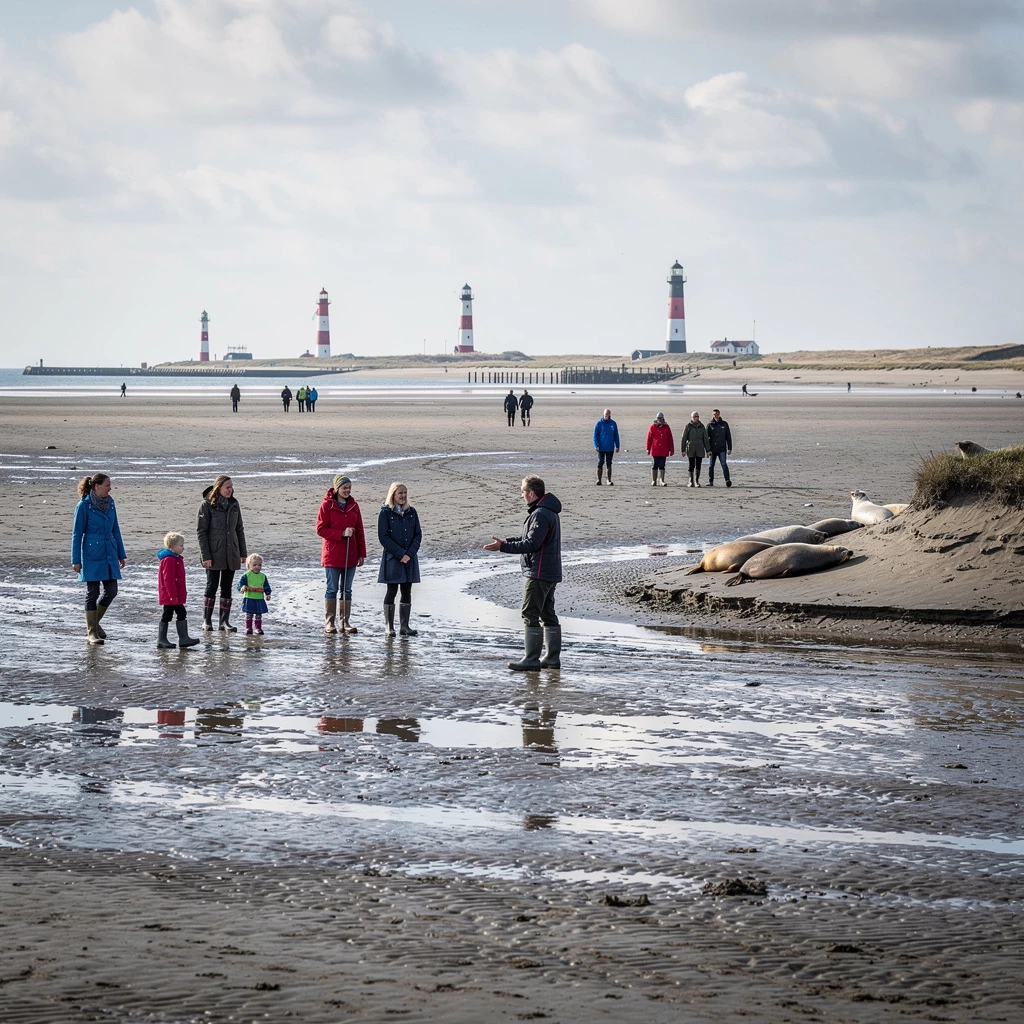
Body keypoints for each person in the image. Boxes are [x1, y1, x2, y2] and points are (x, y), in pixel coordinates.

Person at [483, 475, 562, 671]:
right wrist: (507, 541)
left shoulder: (541, 513)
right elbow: (530, 537)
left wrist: (503, 548)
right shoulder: (545, 511)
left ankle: (531, 659)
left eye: (522, 491)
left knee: (530, 613)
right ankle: (551, 659)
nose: (522, 495)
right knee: (547, 613)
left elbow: (532, 543)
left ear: (531, 493)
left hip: (540, 572)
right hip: (548, 571)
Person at [72, 473, 127, 645]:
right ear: (97, 486)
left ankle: (94, 623)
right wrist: (76, 560)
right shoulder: (84, 506)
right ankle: (91, 633)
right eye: (107, 485)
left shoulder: (110, 503)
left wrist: (121, 553)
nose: (110, 488)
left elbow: (115, 529)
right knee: (92, 592)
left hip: (110, 551)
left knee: (112, 591)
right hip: (92, 553)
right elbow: (77, 535)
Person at [196, 474, 247, 632]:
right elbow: (201, 532)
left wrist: (242, 552)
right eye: (228, 487)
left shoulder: (234, 504)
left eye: (232, 487)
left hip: (231, 551)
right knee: (211, 586)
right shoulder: (206, 505)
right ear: (219, 488)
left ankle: (224, 622)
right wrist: (206, 556)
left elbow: (239, 529)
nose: (231, 490)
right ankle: (207, 621)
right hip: (213, 552)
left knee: (227, 586)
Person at [317, 474, 366, 635]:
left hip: (350, 555)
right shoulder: (327, 505)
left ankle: (344, 622)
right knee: (332, 588)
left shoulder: (354, 505)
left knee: (347, 590)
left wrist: (361, 554)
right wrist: (341, 533)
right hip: (332, 555)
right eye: (345, 488)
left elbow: (359, 530)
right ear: (337, 488)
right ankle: (329, 622)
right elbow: (321, 529)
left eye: (349, 488)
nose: (347, 491)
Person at [377, 482, 422, 638]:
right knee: (391, 591)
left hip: (409, 558)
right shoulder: (385, 513)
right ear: (393, 495)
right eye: (400, 493)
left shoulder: (412, 512)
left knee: (407, 590)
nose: (403, 496)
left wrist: (409, 554)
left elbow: (418, 535)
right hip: (393, 559)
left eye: (405, 493)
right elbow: (383, 537)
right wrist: (400, 554)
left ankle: (405, 626)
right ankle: (389, 627)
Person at [157, 531, 201, 650]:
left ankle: (181, 639)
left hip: (174, 595)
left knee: (176, 613)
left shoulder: (175, 558)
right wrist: (173, 596)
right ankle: (165, 639)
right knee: (172, 614)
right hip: (170, 595)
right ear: (172, 547)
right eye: (181, 545)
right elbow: (168, 580)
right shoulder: (169, 560)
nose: (183, 548)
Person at [237, 553, 272, 635]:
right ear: (249, 565)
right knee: (249, 614)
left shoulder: (263, 576)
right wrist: (242, 588)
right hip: (249, 598)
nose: (257, 567)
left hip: (259, 598)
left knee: (258, 614)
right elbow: (240, 585)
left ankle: (258, 628)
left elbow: (266, 586)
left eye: (259, 565)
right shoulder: (246, 575)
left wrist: (268, 594)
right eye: (254, 565)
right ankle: (248, 628)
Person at [681, 410, 710, 488]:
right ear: (692, 418)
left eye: (697, 416)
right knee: (691, 465)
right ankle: (691, 481)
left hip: (700, 448)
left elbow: (706, 439)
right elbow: (683, 438)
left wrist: (708, 450)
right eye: (694, 417)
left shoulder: (702, 426)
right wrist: (683, 450)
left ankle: (697, 481)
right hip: (690, 448)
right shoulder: (688, 426)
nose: (696, 418)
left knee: (698, 465)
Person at [645, 412, 674, 487]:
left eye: (661, 418)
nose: (659, 419)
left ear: (663, 418)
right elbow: (649, 438)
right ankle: (654, 480)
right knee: (655, 465)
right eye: (658, 418)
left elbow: (670, 438)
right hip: (655, 449)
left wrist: (671, 449)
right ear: (656, 419)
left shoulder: (666, 427)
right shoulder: (653, 427)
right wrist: (648, 448)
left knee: (662, 465)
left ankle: (662, 480)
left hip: (664, 449)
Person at [593, 408, 620, 485]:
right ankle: (599, 480)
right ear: (603, 415)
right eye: (606, 414)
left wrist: (617, 446)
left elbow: (616, 436)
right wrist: (596, 445)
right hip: (601, 447)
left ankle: (609, 480)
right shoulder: (599, 423)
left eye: (608, 414)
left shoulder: (613, 423)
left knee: (609, 463)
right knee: (600, 462)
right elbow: (595, 436)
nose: (607, 416)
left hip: (610, 448)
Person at [707, 408, 733, 488]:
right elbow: (706, 438)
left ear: (719, 414)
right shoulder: (710, 424)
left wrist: (729, 448)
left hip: (722, 449)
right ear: (713, 415)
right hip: (713, 449)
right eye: (714, 414)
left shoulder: (724, 424)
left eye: (717, 414)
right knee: (711, 465)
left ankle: (727, 480)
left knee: (724, 464)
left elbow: (728, 436)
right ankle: (711, 481)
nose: (716, 416)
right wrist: (707, 450)